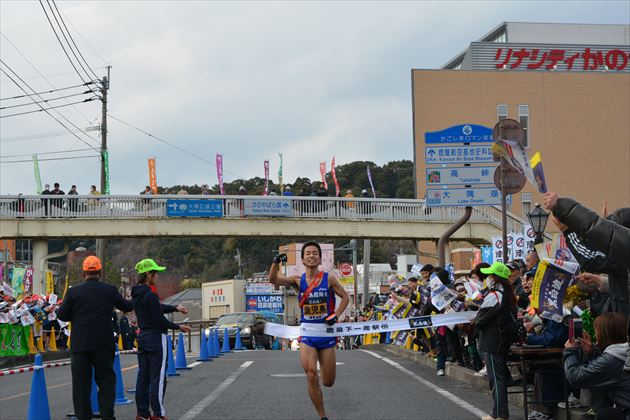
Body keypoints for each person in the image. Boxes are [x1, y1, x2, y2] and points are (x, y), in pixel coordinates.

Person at [269, 241, 350, 420]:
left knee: (328, 382)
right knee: (311, 374)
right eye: (308, 253)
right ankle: (322, 416)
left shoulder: (328, 278)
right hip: (307, 333)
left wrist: (336, 315)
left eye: (315, 253)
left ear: (320, 258)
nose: (311, 255)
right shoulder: (297, 280)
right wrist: (276, 262)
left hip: (326, 333)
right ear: (303, 259)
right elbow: (273, 280)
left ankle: (322, 385)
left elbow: (345, 297)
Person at [57, 256, 133, 420]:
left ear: (84, 272)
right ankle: (107, 415)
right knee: (106, 380)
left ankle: (84, 417)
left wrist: (77, 315)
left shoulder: (73, 292)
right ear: (100, 272)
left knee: (81, 385)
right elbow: (126, 306)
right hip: (103, 343)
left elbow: (61, 315)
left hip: (80, 345)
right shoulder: (110, 290)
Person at [132, 258, 191, 420]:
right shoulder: (150, 293)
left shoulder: (137, 292)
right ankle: (158, 414)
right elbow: (159, 319)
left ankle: (142, 413)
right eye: (155, 273)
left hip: (143, 336)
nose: (157, 276)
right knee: (157, 378)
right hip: (156, 337)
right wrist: (179, 327)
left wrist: (175, 307)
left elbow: (156, 309)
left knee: (143, 377)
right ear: (148, 274)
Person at [563, 312, 630, 420]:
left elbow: (575, 378)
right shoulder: (623, 351)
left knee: (605, 415)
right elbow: (604, 372)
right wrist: (592, 352)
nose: (595, 335)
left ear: (605, 334)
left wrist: (570, 351)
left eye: (597, 331)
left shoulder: (612, 359)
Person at [473, 262, 518, 420]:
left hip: (493, 341)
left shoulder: (494, 296)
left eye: (490, 275)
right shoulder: (507, 294)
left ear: (496, 278)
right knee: (499, 378)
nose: (488, 278)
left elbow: (480, 320)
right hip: (501, 340)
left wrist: (474, 320)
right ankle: (499, 413)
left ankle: (499, 415)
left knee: (496, 380)